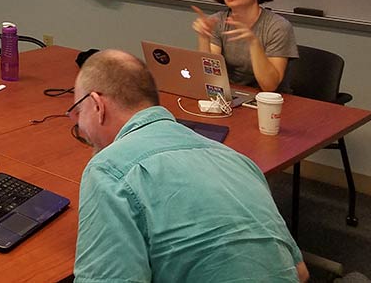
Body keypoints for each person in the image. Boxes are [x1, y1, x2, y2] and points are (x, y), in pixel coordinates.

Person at [70, 50, 308, 282]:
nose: (80, 127)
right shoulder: (236, 159)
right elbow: (300, 272)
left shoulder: (108, 170)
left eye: (78, 112)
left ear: (97, 105)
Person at [192, 0, 298, 91]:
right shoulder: (216, 21)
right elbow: (209, 76)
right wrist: (204, 38)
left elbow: (269, 86)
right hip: (231, 93)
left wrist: (253, 42)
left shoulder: (278, 26)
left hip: (270, 100)